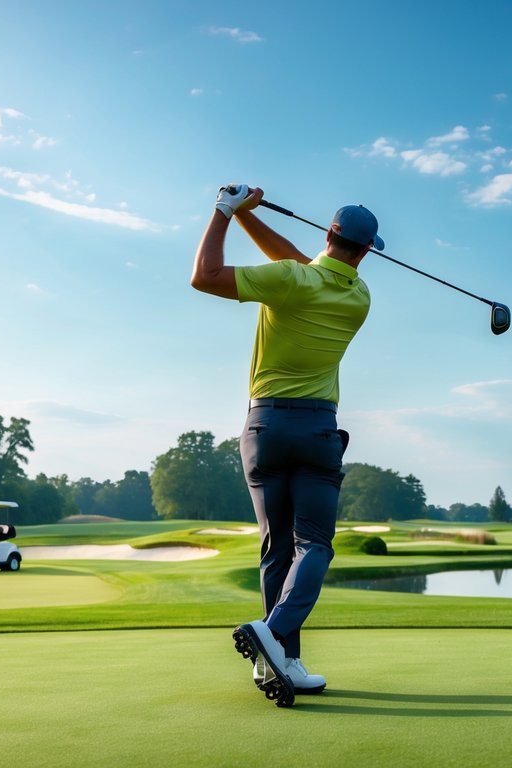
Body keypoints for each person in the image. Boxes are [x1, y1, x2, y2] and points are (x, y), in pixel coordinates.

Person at [191, 184, 380, 706]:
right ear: (365, 251)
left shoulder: (291, 279)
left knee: (277, 548)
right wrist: (248, 216)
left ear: (328, 234)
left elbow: (203, 276)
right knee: (314, 544)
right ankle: (276, 641)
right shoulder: (358, 297)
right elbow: (301, 264)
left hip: (265, 428)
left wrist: (226, 213)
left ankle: (279, 660)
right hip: (318, 430)